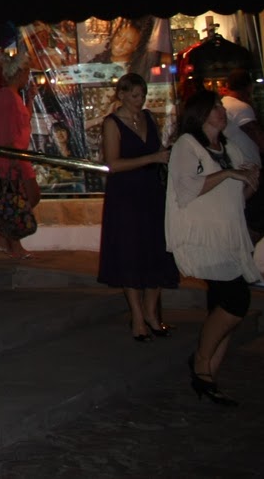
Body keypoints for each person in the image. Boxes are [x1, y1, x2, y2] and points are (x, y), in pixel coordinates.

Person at [165, 90, 261, 406]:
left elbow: (234, 196)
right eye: (215, 106)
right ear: (201, 113)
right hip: (203, 236)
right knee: (236, 301)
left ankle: (207, 376)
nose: (221, 111)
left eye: (221, 106)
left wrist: (248, 181)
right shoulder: (187, 145)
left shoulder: (229, 147)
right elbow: (187, 189)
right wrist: (229, 173)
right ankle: (201, 361)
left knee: (222, 305)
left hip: (228, 234)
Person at [95, 73, 177, 340]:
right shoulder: (112, 123)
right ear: (122, 95)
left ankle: (151, 312)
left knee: (156, 250)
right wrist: (152, 158)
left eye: (142, 95)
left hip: (152, 191)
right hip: (126, 194)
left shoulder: (148, 118)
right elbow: (112, 164)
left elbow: (159, 150)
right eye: (134, 96)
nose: (139, 101)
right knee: (130, 254)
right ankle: (138, 317)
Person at [0, 52, 39, 259]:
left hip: (17, 154)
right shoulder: (7, 96)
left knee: (21, 198)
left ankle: (5, 238)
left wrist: (31, 99)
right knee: (25, 197)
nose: (27, 77)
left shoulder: (11, 95)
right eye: (26, 72)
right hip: (14, 156)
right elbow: (7, 130)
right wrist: (13, 159)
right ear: (19, 73)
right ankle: (11, 241)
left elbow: (22, 122)